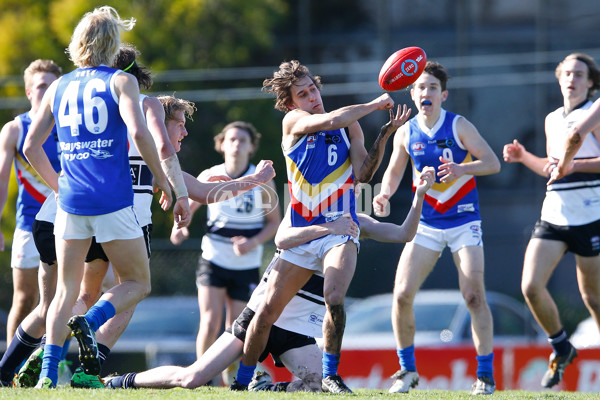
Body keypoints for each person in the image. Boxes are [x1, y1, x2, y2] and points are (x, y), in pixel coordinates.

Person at [104, 168, 434, 391]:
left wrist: (419, 195)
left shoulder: (355, 221)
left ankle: (269, 389)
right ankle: (121, 382)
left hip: (298, 329)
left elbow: (405, 233)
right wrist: (328, 228)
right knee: (192, 377)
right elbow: (281, 239)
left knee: (322, 385)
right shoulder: (302, 215)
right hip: (261, 316)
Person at [233, 59, 411, 394]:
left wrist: (385, 134)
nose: (312, 97)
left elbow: (364, 174)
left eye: (313, 89)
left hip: (340, 227)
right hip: (302, 230)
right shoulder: (294, 121)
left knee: (334, 297)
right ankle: (243, 382)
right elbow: (330, 119)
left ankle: (330, 374)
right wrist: (373, 105)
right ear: (291, 103)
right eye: (303, 94)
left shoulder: (350, 127)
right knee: (267, 312)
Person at [23, 6, 177, 389]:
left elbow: (30, 145)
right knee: (138, 283)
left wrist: (60, 186)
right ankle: (89, 322)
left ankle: (47, 377)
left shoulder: (59, 86)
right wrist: (164, 181)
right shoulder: (122, 82)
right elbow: (140, 136)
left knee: (65, 291)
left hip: (71, 203)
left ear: (78, 43)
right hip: (112, 200)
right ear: (113, 44)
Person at [373, 61, 501, 395]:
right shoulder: (406, 131)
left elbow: (492, 163)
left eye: (432, 87)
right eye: (419, 87)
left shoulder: (459, 125)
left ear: (443, 94)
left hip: (463, 220)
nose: (425, 92)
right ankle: (407, 371)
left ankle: (485, 377)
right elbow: (393, 171)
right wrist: (384, 194)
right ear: (412, 94)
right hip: (426, 223)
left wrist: (461, 168)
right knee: (401, 295)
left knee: (474, 296)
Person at [505, 52, 600, 388]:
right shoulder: (551, 119)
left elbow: (579, 164)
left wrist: (577, 165)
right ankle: (561, 346)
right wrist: (523, 157)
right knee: (530, 286)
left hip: (591, 214)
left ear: (590, 82)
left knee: (592, 297)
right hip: (555, 212)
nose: (572, 79)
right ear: (559, 79)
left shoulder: (595, 112)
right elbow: (553, 168)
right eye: (567, 73)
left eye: (579, 74)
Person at [171, 121, 281, 384]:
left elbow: (275, 223)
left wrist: (252, 243)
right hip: (213, 258)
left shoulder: (261, 180)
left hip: (246, 263)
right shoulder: (211, 173)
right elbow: (190, 203)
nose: (236, 145)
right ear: (221, 144)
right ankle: (201, 378)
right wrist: (179, 228)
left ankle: (229, 379)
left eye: (243, 140)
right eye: (231, 139)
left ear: (252, 147)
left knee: (237, 327)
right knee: (210, 321)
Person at [0, 59, 62, 349]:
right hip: (28, 225)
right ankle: (8, 370)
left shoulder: (70, 126)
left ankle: (53, 364)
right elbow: (1, 182)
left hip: (69, 225)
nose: (46, 91)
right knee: (26, 299)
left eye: (52, 86)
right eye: (40, 86)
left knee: (66, 298)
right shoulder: (14, 129)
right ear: (28, 92)